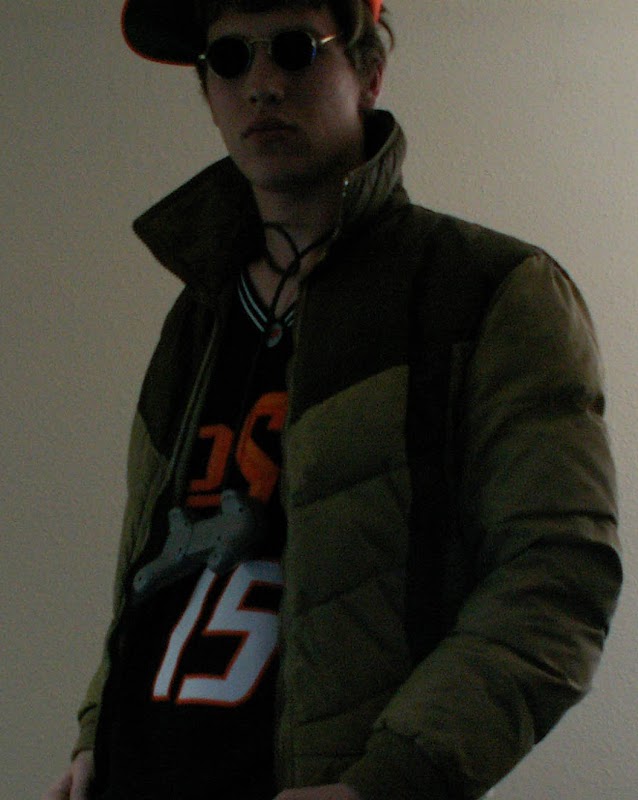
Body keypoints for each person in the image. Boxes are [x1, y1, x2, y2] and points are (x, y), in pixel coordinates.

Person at [44, 1, 622, 799]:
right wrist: (92, 733)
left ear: (369, 73)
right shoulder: (198, 313)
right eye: (229, 60)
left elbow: (559, 576)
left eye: (294, 49)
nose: (262, 84)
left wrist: (389, 782)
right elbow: (150, 568)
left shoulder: (488, 293)